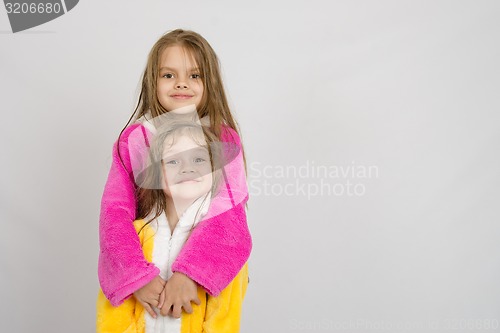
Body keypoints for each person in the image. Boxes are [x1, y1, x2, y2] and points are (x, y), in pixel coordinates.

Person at [98, 29, 251, 318]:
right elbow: (114, 211)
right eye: (168, 75)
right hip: (148, 277)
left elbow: (229, 213)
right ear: (152, 81)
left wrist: (192, 274)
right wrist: (135, 277)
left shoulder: (223, 139)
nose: (181, 83)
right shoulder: (134, 141)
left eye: (195, 75)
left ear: (211, 82)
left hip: (196, 289)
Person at [97, 122, 248, 332]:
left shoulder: (223, 248)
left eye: (199, 159)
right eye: (173, 160)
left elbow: (225, 317)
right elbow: (114, 316)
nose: (188, 167)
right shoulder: (136, 237)